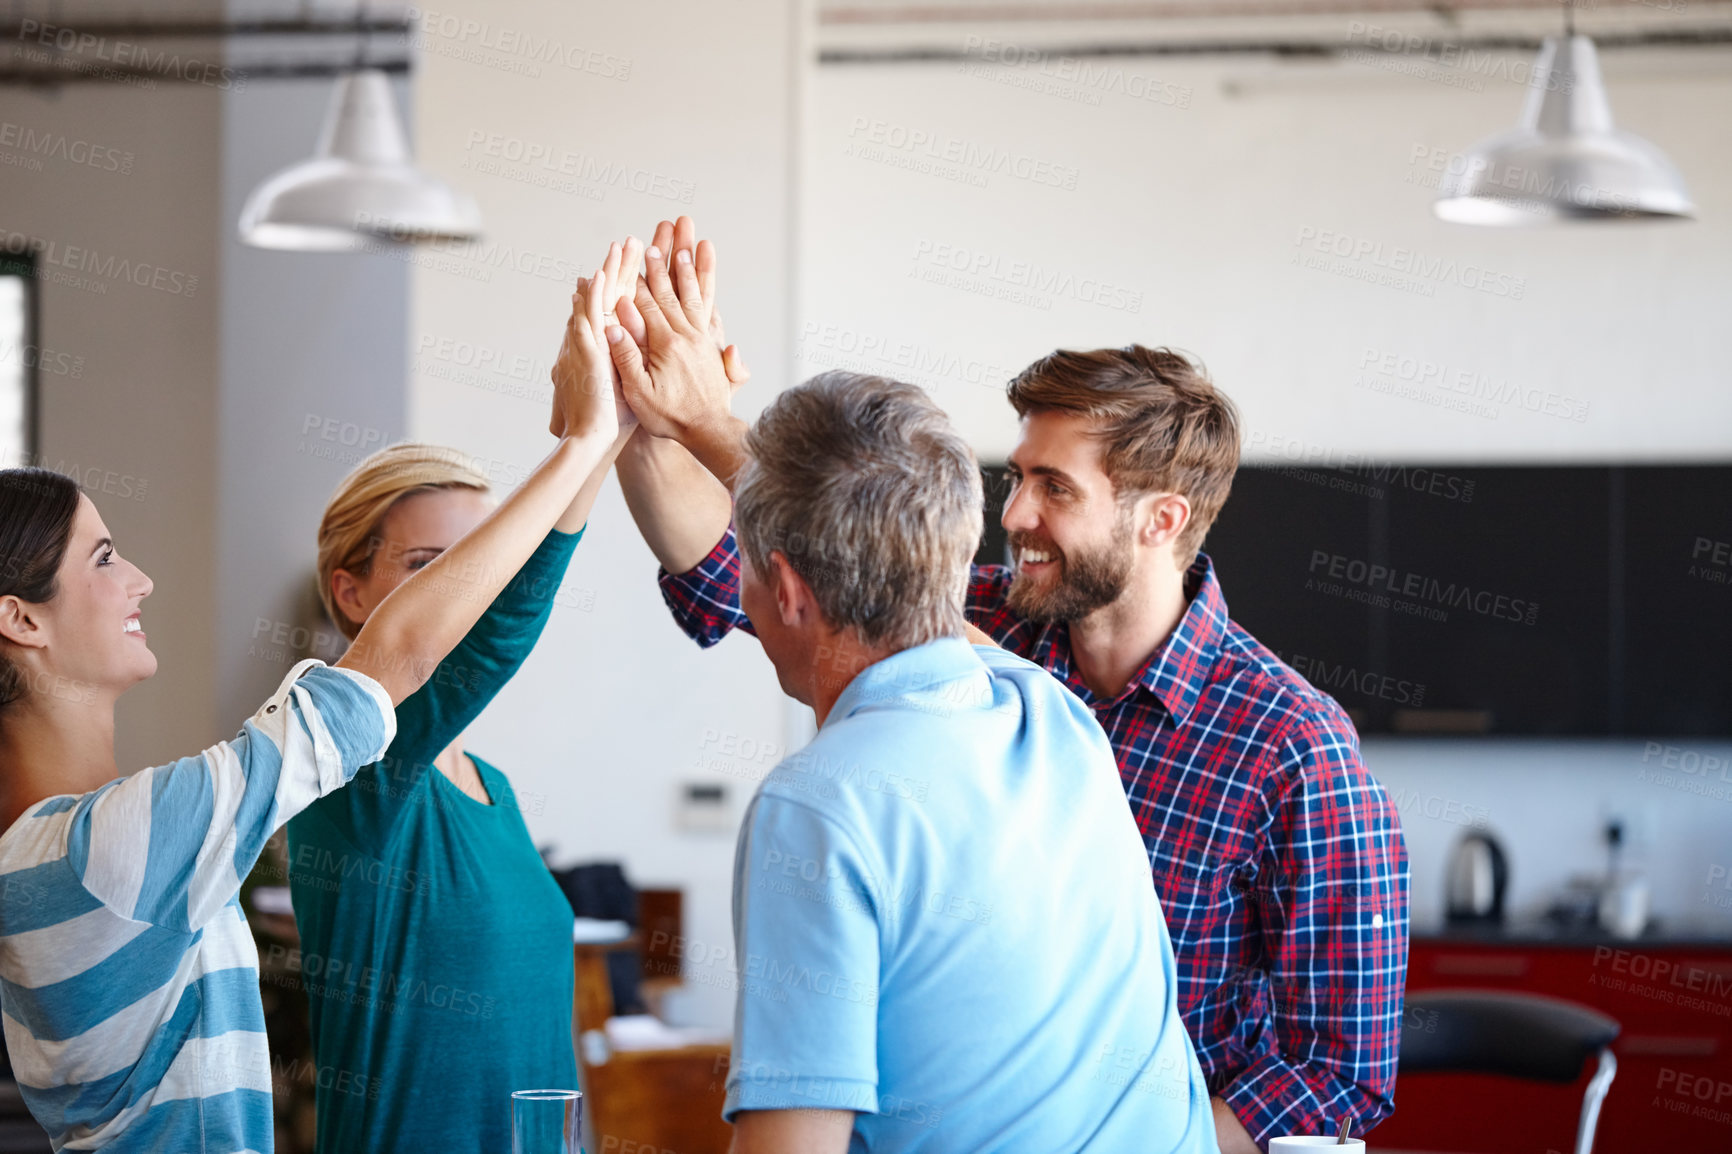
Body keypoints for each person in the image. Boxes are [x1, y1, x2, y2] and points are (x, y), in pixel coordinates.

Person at [616, 218, 1409, 1151]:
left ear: (1162, 518)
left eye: (1056, 488)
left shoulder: (1294, 746)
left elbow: (1336, 1075)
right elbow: (757, 575)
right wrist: (644, 418)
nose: (1017, 512)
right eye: (1016, 476)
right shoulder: (990, 630)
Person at [0, 258, 627, 1153]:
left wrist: (596, 441)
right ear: (20, 617)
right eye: (103, 558)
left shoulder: (64, 853)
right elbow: (408, 658)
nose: (141, 577)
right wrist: (589, 439)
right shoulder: (114, 848)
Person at [281, 243, 647, 1154]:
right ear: (351, 591)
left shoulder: (492, 786)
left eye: (478, 562)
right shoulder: (348, 756)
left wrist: (621, 405)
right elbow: (504, 631)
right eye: (425, 567)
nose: (467, 592)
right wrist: (588, 439)